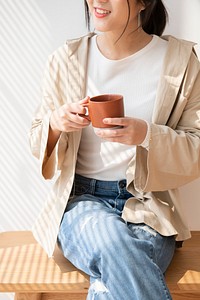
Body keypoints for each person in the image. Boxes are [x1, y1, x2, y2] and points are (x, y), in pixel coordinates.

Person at [29, 0, 200, 299]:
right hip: (81, 203)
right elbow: (35, 139)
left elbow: (196, 148)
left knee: (110, 282)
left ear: (143, 2)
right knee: (113, 246)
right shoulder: (66, 59)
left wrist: (147, 134)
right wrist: (56, 123)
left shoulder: (181, 63)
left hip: (149, 206)